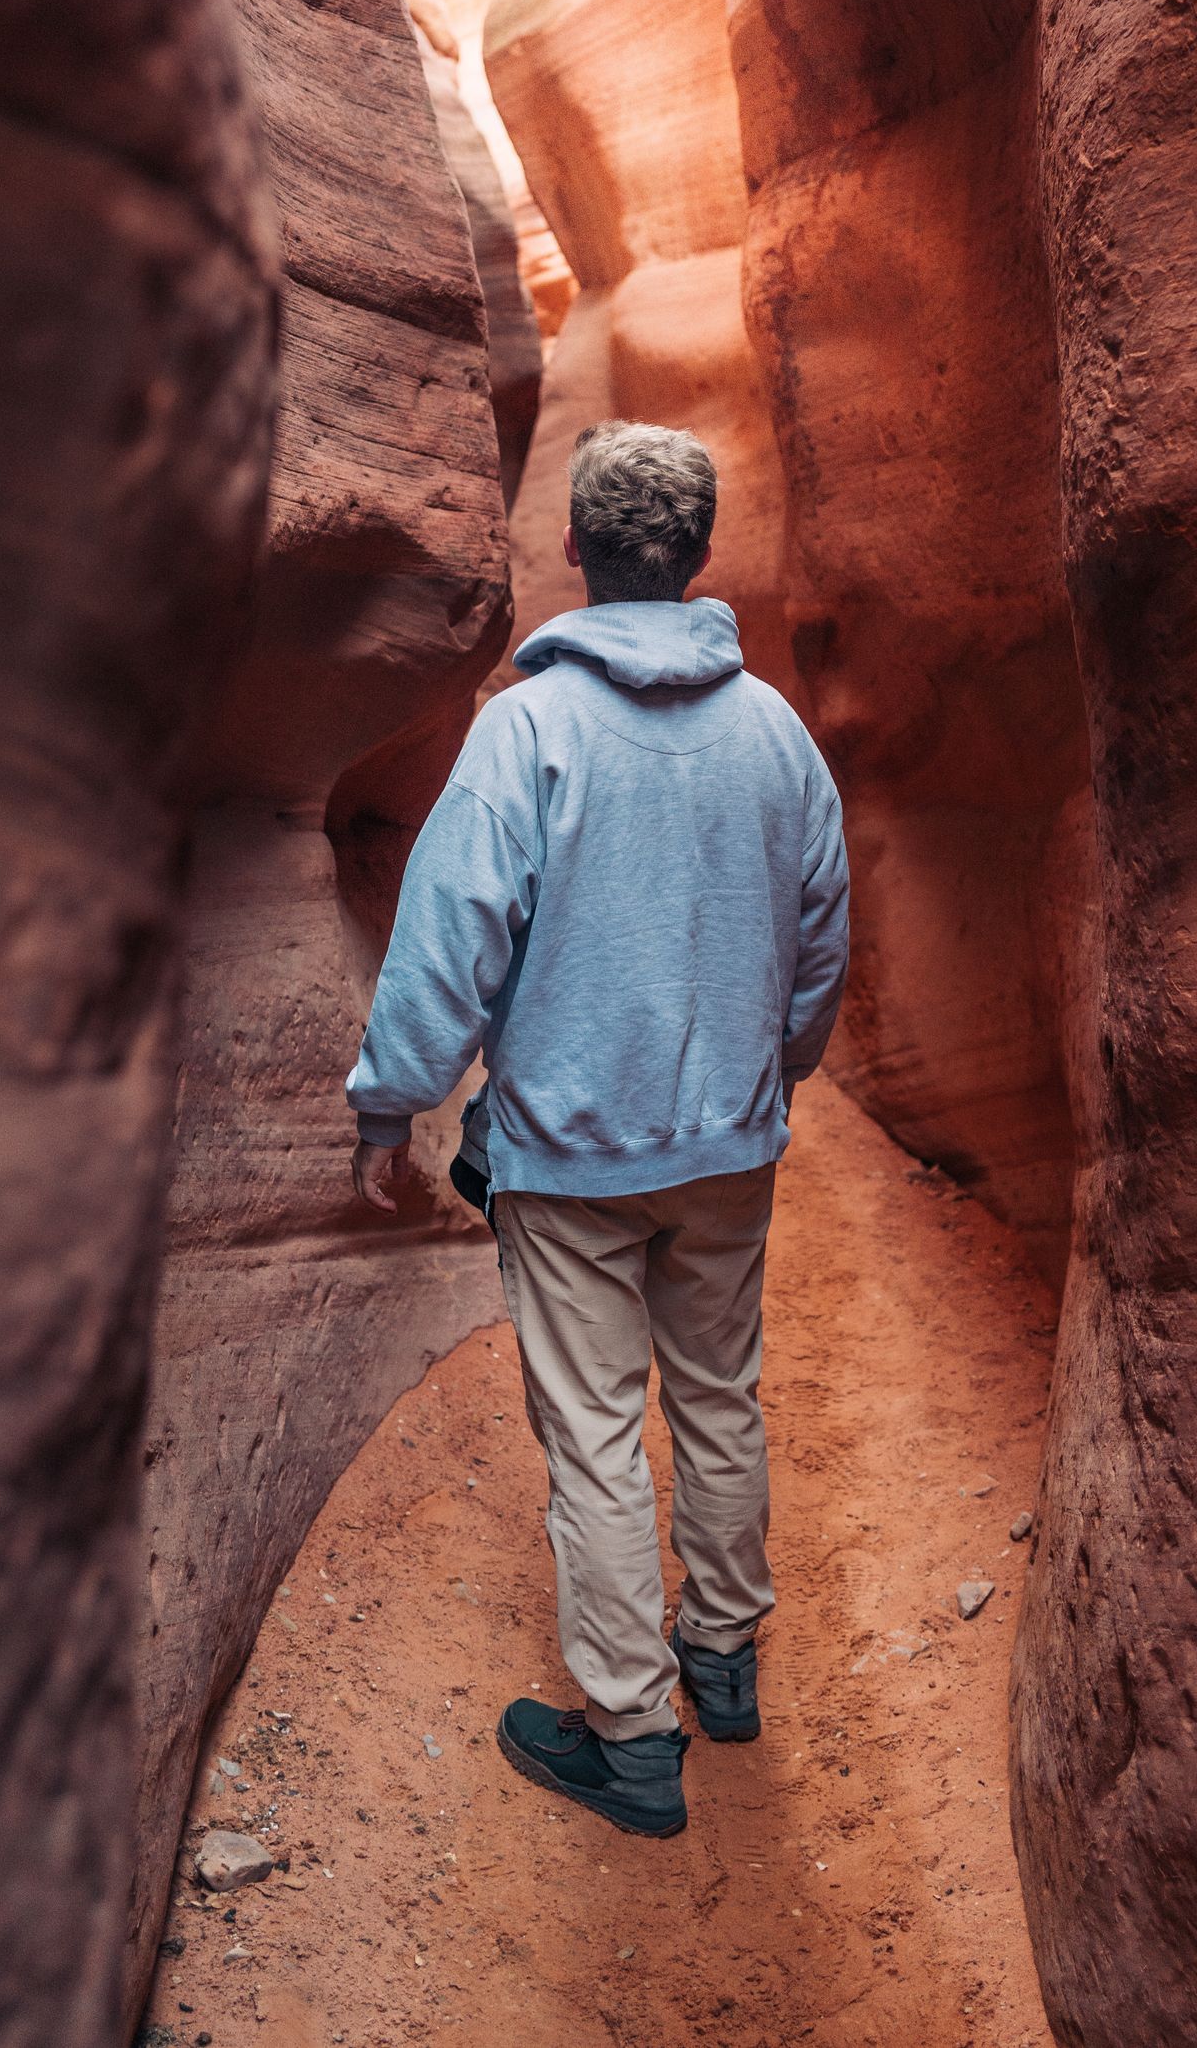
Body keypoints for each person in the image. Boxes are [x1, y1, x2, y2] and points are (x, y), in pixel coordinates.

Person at [345, 419, 849, 1838]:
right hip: (730, 1152)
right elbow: (820, 939)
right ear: (698, 556)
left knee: (595, 1432)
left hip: (568, 1159)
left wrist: (394, 1100)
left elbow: (451, 936)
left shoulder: (530, 729)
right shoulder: (776, 733)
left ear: (572, 548)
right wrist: (781, 1070)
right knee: (718, 1391)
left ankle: (632, 1738)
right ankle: (725, 1663)